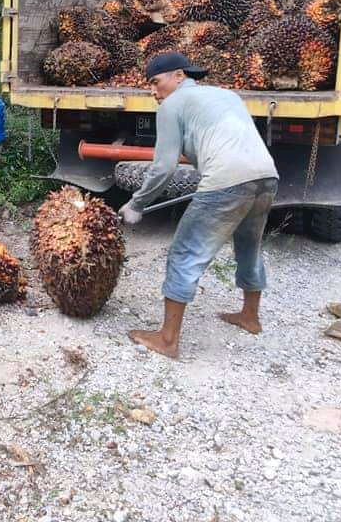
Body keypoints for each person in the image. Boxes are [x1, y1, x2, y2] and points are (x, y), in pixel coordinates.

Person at [118, 52, 279, 359]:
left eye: (156, 82)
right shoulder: (224, 94)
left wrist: (136, 205)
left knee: (184, 252)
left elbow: (163, 168)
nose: (153, 92)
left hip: (228, 179)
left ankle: (167, 340)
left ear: (179, 76)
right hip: (267, 176)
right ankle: (250, 317)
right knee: (249, 245)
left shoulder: (172, 105)